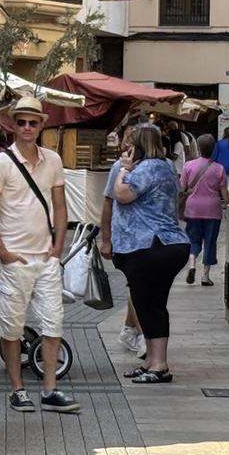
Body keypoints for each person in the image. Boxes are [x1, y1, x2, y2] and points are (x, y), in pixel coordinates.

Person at [0, 97, 80, 414]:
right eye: (22, 122)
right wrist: (4, 253)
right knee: (11, 327)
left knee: (54, 323)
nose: (27, 128)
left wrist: (57, 247)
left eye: (33, 122)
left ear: (42, 124)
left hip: (45, 258)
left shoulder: (52, 160)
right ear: (13, 124)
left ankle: (50, 389)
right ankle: (17, 388)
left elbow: (61, 207)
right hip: (15, 259)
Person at [111, 124, 192, 383]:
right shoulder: (167, 166)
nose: (126, 149)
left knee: (149, 306)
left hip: (150, 246)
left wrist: (124, 169)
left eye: (131, 145)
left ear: (139, 146)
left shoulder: (146, 168)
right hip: (169, 244)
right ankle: (151, 362)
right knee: (152, 305)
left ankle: (159, 365)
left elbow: (122, 195)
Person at [100, 123, 147, 357]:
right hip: (126, 238)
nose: (128, 144)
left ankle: (130, 329)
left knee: (138, 286)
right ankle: (142, 334)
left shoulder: (154, 167)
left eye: (132, 139)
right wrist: (105, 238)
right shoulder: (119, 167)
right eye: (126, 138)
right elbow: (108, 202)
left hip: (148, 239)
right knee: (138, 286)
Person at [181, 134, 229, 286]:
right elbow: (225, 196)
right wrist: (225, 201)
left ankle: (192, 265)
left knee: (193, 239)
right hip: (212, 210)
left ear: (199, 148)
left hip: (193, 208)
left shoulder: (188, 166)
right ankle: (205, 276)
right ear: (213, 149)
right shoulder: (219, 169)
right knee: (210, 241)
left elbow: (182, 187)